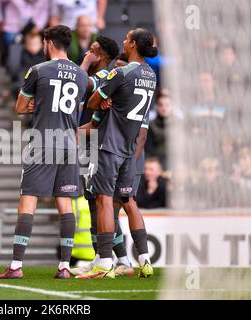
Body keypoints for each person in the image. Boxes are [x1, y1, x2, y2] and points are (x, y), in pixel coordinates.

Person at [0, 25, 88, 280]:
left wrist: (39, 102)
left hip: (44, 140)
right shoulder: (81, 75)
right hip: (69, 143)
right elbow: (75, 111)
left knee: (28, 200)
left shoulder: (38, 70)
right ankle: (65, 267)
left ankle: (15, 265)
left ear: (47, 43)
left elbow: (20, 107)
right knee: (65, 203)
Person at [77, 28, 158, 279]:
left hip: (110, 145)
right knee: (128, 202)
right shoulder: (151, 75)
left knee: (102, 201)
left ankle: (104, 262)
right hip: (129, 150)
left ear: (133, 44)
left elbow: (91, 101)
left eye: (127, 38)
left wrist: (102, 100)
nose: (124, 41)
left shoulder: (121, 72)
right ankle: (144, 260)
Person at [145, 93, 172, 169]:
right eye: (161, 105)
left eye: (167, 105)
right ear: (157, 107)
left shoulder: (178, 126)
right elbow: (149, 150)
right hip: (156, 165)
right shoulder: (151, 126)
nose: (164, 108)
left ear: (172, 106)